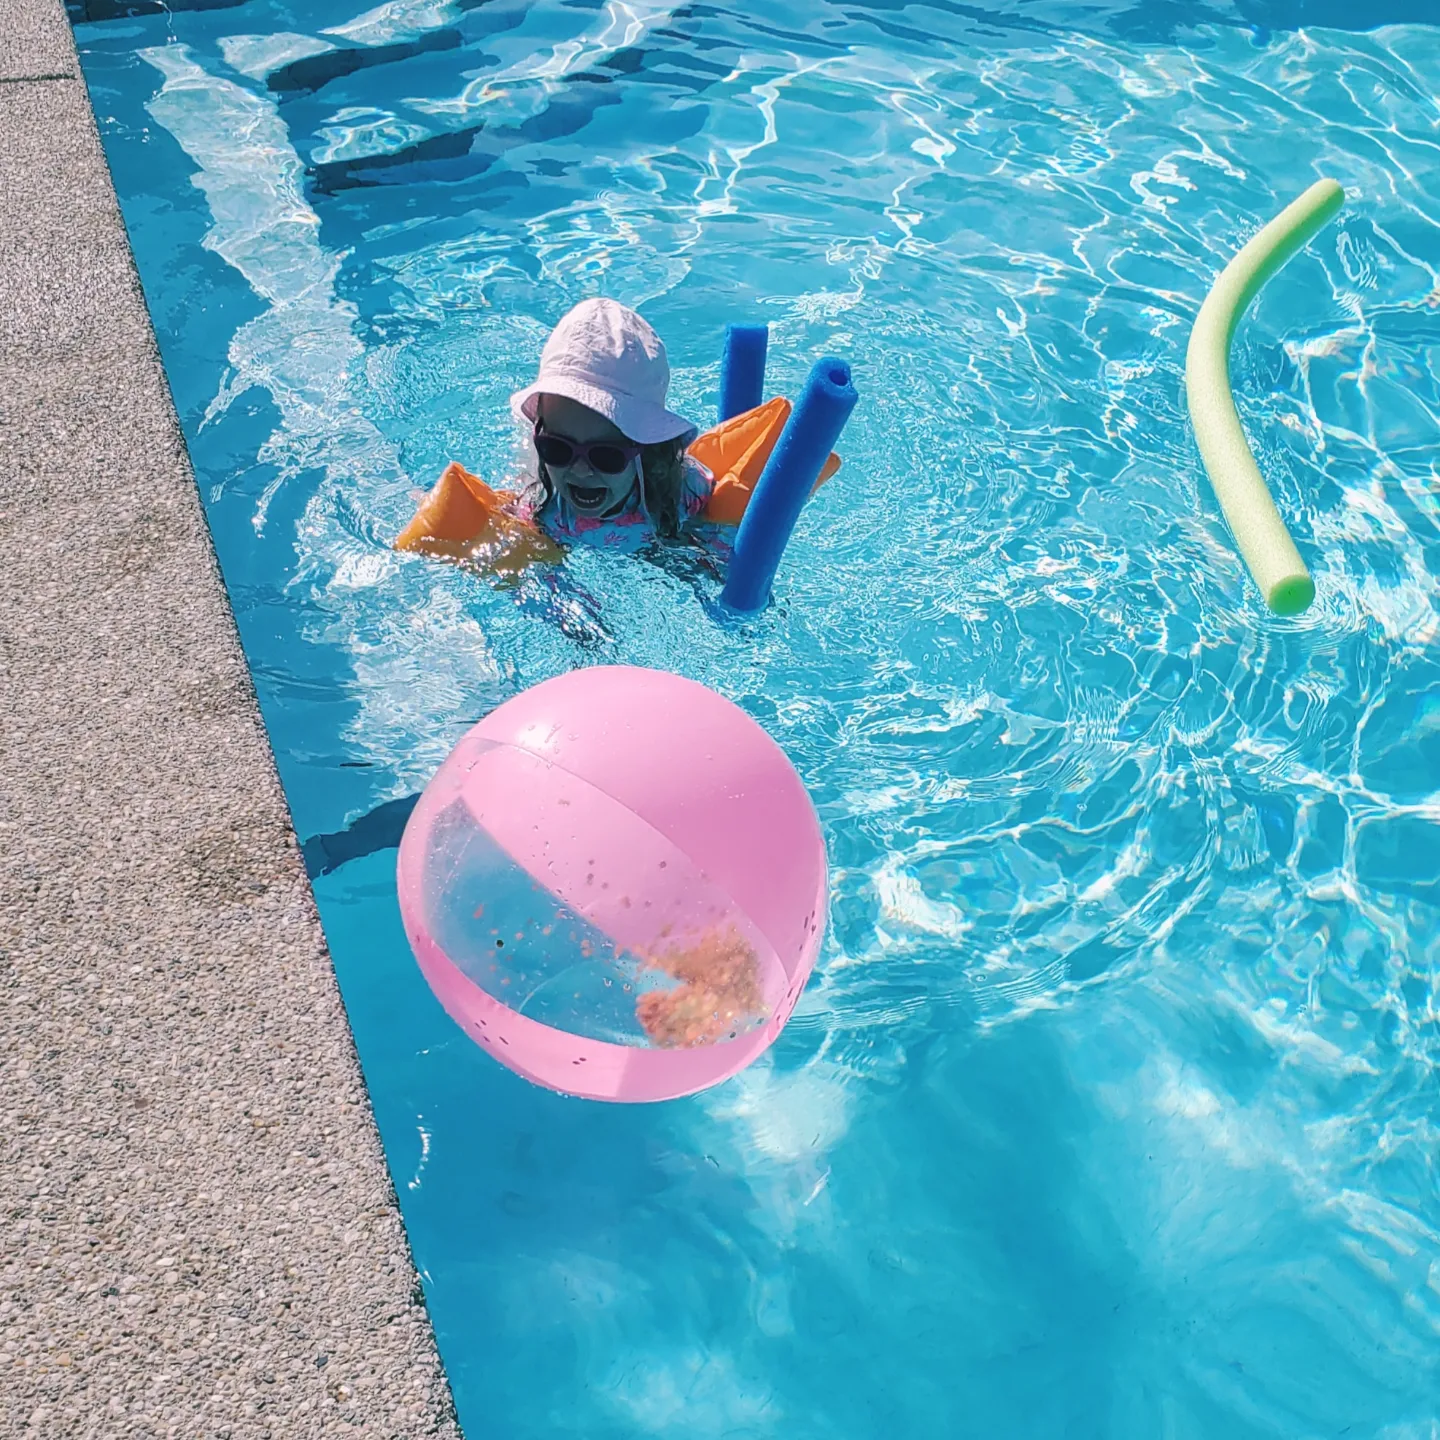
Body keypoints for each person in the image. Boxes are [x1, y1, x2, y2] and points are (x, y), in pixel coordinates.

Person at [509, 297, 711, 545]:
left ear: (648, 448)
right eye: (556, 449)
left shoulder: (684, 491)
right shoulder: (540, 507)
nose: (580, 470)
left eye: (606, 455)